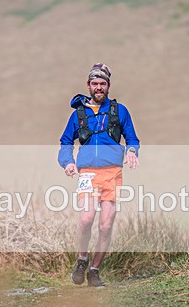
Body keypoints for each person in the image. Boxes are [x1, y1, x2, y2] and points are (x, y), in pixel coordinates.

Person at [58, 63, 140, 287]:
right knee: (86, 219)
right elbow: (66, 141)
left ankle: (95, 270)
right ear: (88, 86)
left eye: (103, 84)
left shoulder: (119, 111)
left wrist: (132, 152)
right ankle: (82, 259)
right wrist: (67, 162)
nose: (99, 87)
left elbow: (132, 138)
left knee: (106, 224)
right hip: (87, 174)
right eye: (95, 84)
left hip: (113, 173)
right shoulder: (79, 114)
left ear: (108, 86)